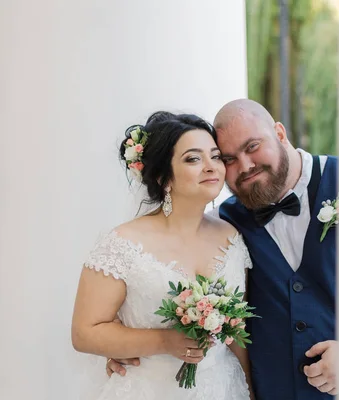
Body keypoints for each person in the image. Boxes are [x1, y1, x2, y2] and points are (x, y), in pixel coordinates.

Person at [107, 99, 339, 399]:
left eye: (253, 146)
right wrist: (127, 350)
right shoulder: (224, 224)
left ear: (280, 134)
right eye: (228, 158)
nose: (245, 166)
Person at [71, 111, 254, 400]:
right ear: (163, 177)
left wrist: (251, 389)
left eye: (216, 156)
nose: (211, 167)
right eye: (193, 159)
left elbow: (237, 331)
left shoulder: (231, 236)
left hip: (223, 387)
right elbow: (85, 332)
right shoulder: (122, 244)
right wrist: (164, 341)